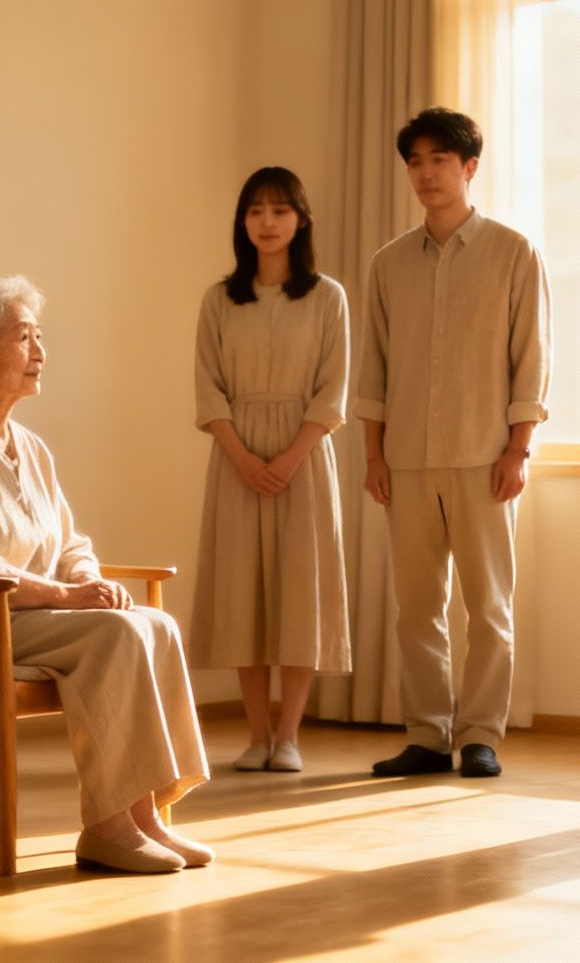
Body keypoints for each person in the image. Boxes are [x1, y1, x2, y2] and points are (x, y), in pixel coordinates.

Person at [0, 276, 214, 873]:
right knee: (114, 635)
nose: (40, 351)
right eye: (24, 337)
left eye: (40, 336)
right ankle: (107, 827)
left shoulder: (31, 448)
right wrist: (68, 595)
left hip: (25, 617)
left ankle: (147, 820)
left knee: (153, 624)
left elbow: (69, 543)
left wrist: (91, 581)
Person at [357, 108, 551, 780]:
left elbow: (532, 360)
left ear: (469, 168)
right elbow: (373, 369)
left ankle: (479, 736)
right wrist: (374, 456)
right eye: (415, 161)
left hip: (485, 456)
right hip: (406, 460)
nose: (426, 173)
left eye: (440, 160)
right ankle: (426, 734)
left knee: (489, 607)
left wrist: (518, 449)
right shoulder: (387, 265)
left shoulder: (513, 252)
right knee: (416, 610)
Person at [191, 167, 352, 774]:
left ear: (300, 220)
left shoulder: (327, 296)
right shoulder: (218, 299)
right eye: (255, 211)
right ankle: (256, 735)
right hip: (235, 460)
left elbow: (332, 393)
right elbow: (208, 391)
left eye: (279, 211)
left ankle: (288, 735)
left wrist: (286, 459)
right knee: (242, 597)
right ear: (242, 221)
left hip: (303, 459)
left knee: (299, 593)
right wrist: (242, 458)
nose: (267, 222)